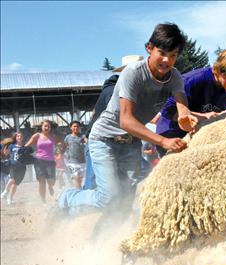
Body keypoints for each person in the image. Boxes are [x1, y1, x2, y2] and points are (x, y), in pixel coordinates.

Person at [56, 22, 198, 218]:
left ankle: (109, 239)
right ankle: (67, 197)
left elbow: (182, 105)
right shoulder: (132, 73)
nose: (167, 60)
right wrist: (163, 141)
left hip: (131, 143)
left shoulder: (174, 77)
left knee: (124, 202)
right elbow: (126, 121)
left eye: (173, 55)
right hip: (104, 139)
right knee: (108, 197)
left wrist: (185, 117)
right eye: (162, 53)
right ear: (149, 47)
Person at [155, 47, 226, 155]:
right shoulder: (195, 80)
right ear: (221, 70)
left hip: (198, 139)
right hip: (171, 135)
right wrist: (202, 117)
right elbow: (166, 110)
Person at [82, 56, 144, 190]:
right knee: (95, 185)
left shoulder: (138, 92)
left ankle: (122, 210)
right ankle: (73, 204)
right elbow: (123, 119)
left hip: (125, 143)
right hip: (102, 142)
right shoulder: (113, 92)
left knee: (126, 184)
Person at [25, 120, 58, 204]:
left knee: (52, 181)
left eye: (49, 126)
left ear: (51, 128)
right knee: (41, 181)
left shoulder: (53, 137)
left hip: (50, 161)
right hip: (39, 161)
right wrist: (22, 151)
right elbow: (27, 145)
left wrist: (60, 150)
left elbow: (59, 146)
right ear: (41, 127)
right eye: (45, 126)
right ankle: (43, 201)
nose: (47, 128)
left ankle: (50, 186)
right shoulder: (37, 136)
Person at [0, 132, 29, 205]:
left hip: (22, 167)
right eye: (18, 136)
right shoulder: (12, 146)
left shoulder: (24, 146)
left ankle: (10, 198)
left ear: (22, 138)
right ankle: (5, 192)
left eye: (21, 136)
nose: (19, 137)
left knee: (15, 184)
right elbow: (6, 152)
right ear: (15, 138)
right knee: (12, 179)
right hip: (13, 165)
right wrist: (6, 156)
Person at [63, 121, 86, 189]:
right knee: (76, 177)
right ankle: (78, 193)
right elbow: (64, 147)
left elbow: (87, 143)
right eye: (74, 126)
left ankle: (78, 190)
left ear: (79, 128)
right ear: (71, 127)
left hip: (82, 161)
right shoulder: (68, 137)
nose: (76, 128)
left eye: (77, 126)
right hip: (72, 162)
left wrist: (85, 141)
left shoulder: (82, 136)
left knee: (80, 179)